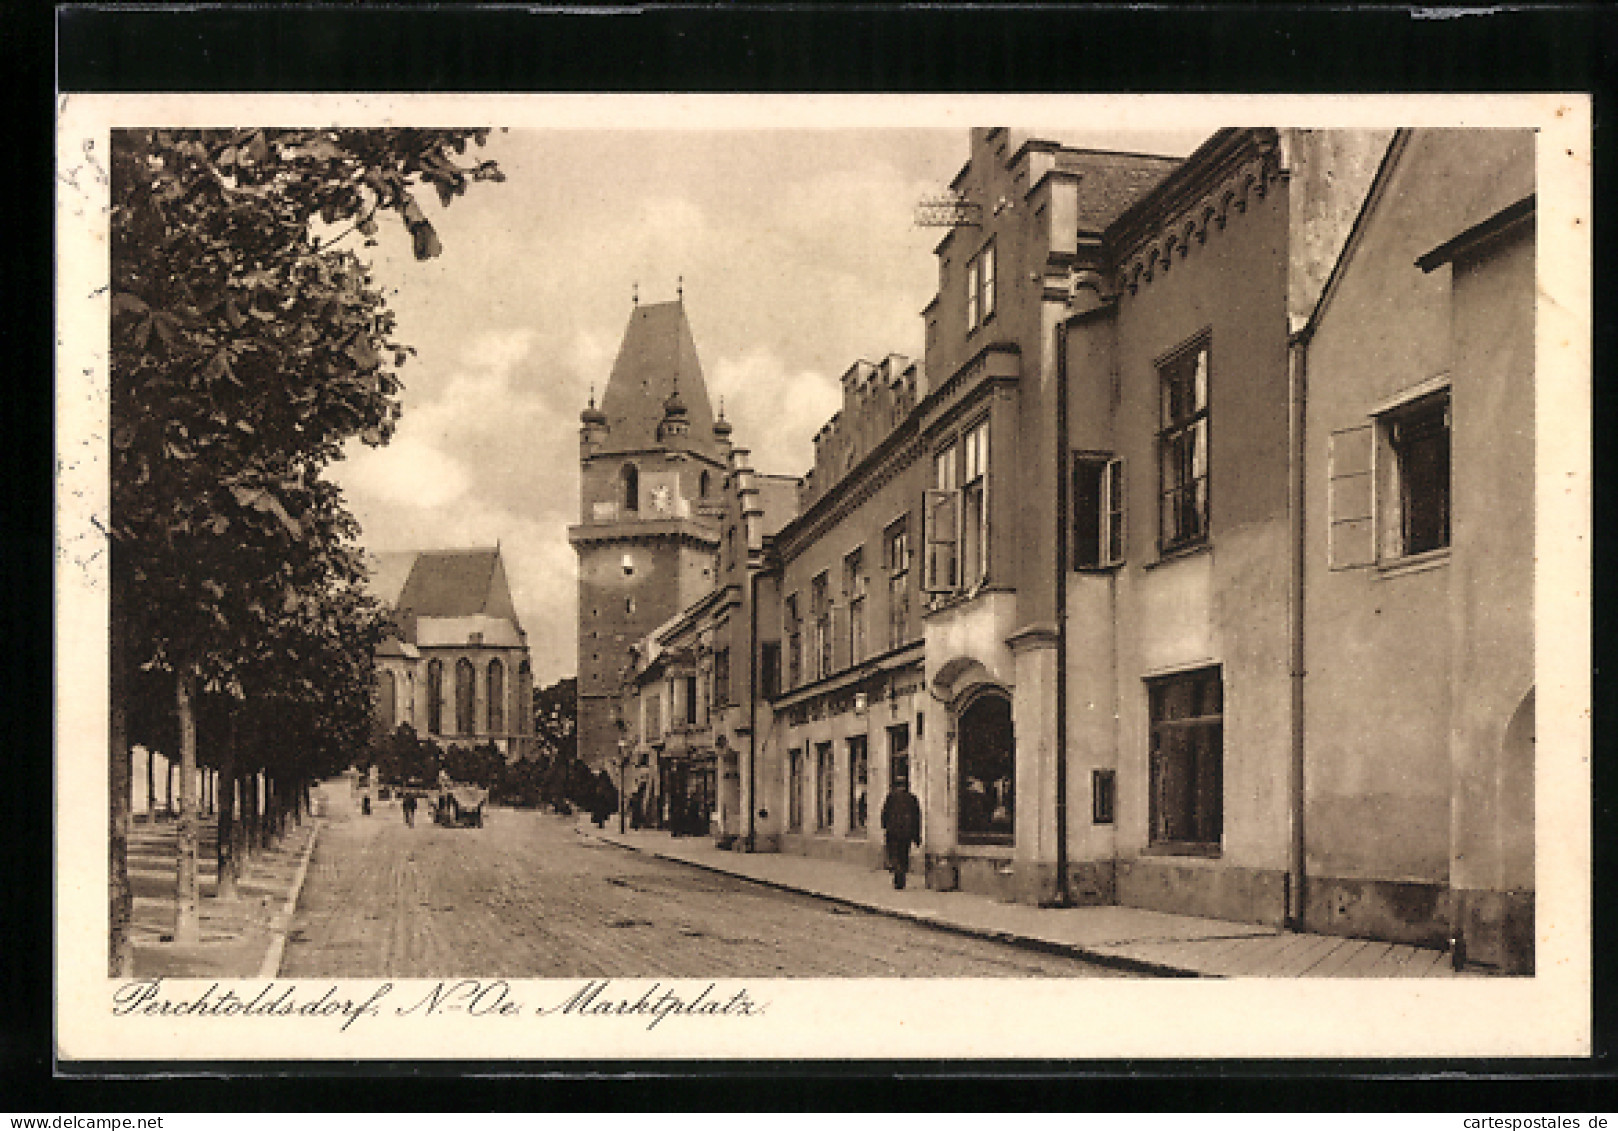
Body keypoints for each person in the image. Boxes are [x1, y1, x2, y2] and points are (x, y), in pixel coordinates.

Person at [880, 775, 922, 890]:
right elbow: (917, 818)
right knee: (904, 855)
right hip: (906, 834)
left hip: (893, 832)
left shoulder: (891, 797)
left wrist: (885, 827)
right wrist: (917, 836)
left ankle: (898, 874)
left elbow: (884, 814)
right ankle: (901, 876)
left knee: (894, 854)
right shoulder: (912, 799)